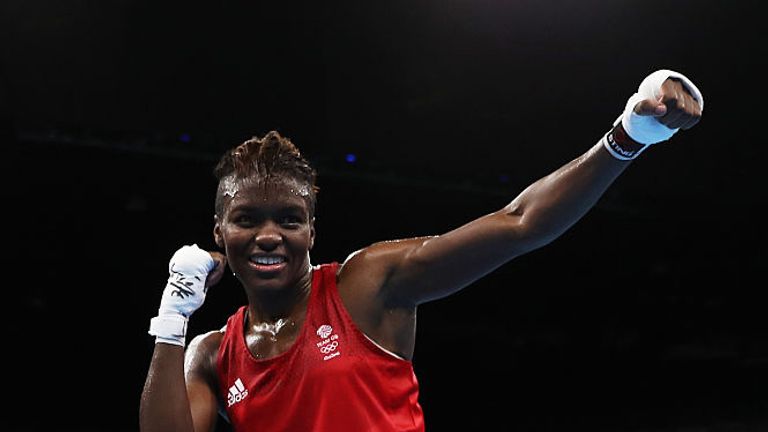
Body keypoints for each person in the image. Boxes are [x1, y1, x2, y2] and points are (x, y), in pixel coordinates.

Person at [139, 68, 703, 432]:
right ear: (220, 233)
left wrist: (629, 136)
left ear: (311, 231)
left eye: (289, 219)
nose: (269, 236)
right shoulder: (213, 354)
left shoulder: (366, 285)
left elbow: (520, 224)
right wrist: (172, 318)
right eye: (247, 220)